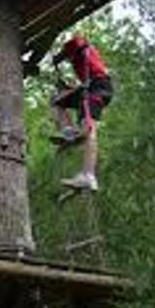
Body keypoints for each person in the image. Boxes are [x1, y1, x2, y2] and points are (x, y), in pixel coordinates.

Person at [51, 33, 113, 191]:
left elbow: (78, 41)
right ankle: (68, 131)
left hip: (98, 87)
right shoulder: (78, 61)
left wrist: (60, 55)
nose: (68, 60)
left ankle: (88, 175)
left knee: (88, 127)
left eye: (68, 56)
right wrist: (67, 88)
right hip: (91, 86)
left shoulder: (83, 50)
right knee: (57, 101)